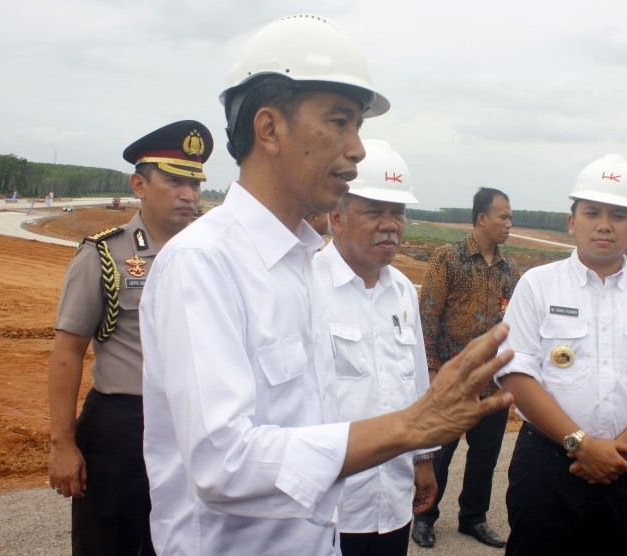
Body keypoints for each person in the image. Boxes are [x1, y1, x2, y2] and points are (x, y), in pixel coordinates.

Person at [139, 14, 513, 556]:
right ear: (269, 129)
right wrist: (412, 426)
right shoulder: (203, 263)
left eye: (357, 127)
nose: (357, 149)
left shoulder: (299, 264)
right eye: (339, 122)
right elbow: (223, 463)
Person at [495, 153, 627, 556]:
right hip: (549, 464)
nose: (605, 224)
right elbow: (516, 371)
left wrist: (617, 452)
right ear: (572, 221)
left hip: (626, 465)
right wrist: (580, 444)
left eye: (619, 215)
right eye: (592, 212)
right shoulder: (538, 285)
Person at [47, 120, 212, 555]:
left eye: (195, 185)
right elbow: (67, 352)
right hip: (123, 426)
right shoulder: (106, 253)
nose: (188, 195)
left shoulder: (210, 257)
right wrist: (63, 444)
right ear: (138, 184)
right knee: (111, 543)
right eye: (175, 181)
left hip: (191, 425)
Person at [314, 139, 437, 556]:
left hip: (394, 497)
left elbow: (415, 382)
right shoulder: (306, 288)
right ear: (337, 217)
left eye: (398, 212)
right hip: (331, 506)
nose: (390, 224)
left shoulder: (402, 290)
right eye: (373, 211)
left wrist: (422, 459)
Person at [413, 187, 519, 549]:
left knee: (484, 458)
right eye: (503, 216)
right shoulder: (449, 258)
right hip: (450, 381)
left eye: (510, 216)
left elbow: (513, 325)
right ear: (481, 219)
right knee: (440, 455)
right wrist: (431, 369)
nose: (509, 223)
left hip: (492, 385)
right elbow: (427, 316)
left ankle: (473, 518)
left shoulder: (510, 269)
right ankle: (425, 516)